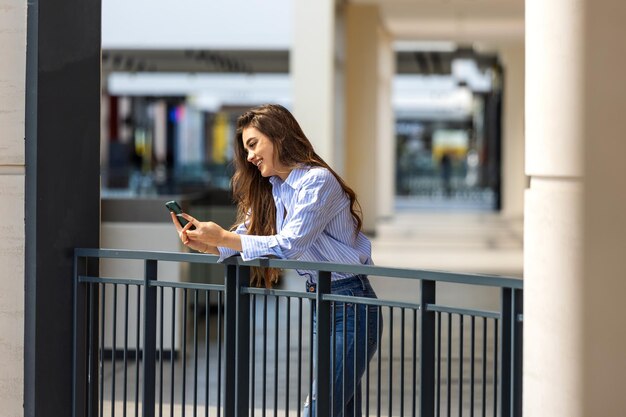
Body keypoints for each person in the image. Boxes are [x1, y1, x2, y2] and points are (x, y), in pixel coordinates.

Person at [170, 103, 381, 416]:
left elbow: (290, 244)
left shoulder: (316, 182)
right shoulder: (275, 189)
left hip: (351, 303)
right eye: (246, 150)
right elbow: (246, 236)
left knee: (321, 405)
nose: (251, 157)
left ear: (279, 136)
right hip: (321, 301)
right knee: (340, 407)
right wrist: (205, 242)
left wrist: (224, 238)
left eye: (254, 145)